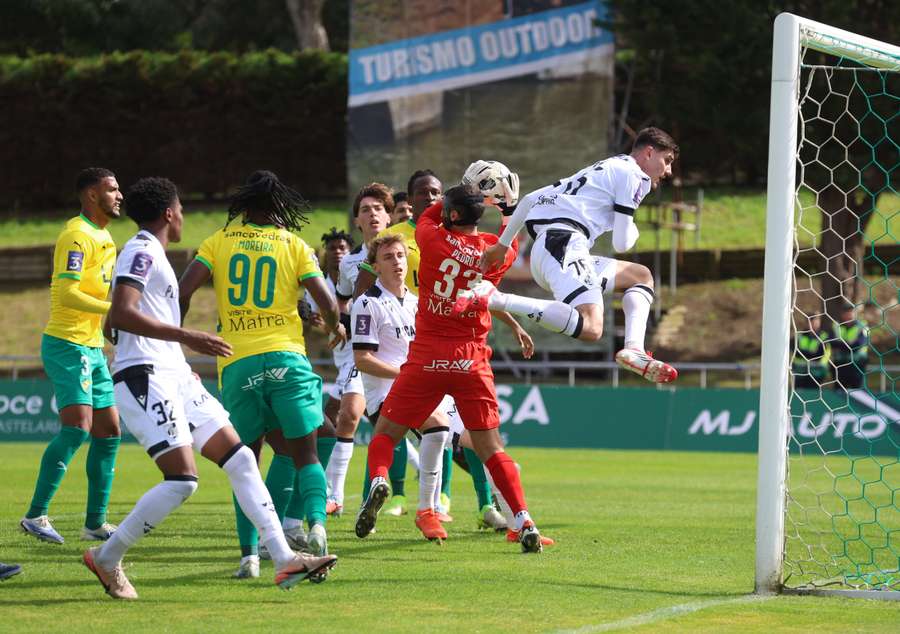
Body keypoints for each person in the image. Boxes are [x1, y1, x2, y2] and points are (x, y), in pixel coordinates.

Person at [84, 177, 336, 600]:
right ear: (169, 213)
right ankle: (106, 557)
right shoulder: (142, 250)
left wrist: (178, 360)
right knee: (182, 480)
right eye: (181, 208)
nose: (183, 216)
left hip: (174, 375)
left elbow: (117, 320)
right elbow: (123, 313)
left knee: (242, 460)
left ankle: (283, 558)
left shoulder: (157, 255)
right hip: (144, 377)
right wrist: (188, 338)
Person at [355, 183, 545, 553]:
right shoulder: (493, 251)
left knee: (385, 435)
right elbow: (510, 240)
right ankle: (523, 521)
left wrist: (462, 190)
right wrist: (504, 205)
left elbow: (427, 214)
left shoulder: (432, 238)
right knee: (491, 448)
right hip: (470, 358)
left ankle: (379, 479)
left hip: (427, 356)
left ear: (452, 214)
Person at [179, 171, 346, 578]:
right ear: (280, 205)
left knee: (245, 464)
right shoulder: (293, 245)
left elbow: (183, 292)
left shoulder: (218, 242)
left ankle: (249, 557)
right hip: (286, 359)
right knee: (307, 452)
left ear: (245, 204)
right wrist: (334, 326)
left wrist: (177, 338)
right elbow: (326, 301)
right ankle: (316, 527)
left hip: (237, 363)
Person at [478, 128, 680, 383]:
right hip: (564, 244)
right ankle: (496, 299)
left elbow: (529, 200)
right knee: (592, 327)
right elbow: (622, 243)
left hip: (554, 247)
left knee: (640, 276)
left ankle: (634, 350)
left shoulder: (606, 167)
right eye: (667, 160)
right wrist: (634, 230)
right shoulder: (634, 175)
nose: (668, 171)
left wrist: (503, 244)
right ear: (649, 153)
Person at [21, 168, 123, 545]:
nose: (120, 195)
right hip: (67, 343)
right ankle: (35, 515)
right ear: (92, 195)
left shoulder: (105, 236)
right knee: (78, 427)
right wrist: (114, 310)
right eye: (112, 189)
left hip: (92, 346)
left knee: (109, 431)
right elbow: (67, 293)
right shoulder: (76, 235)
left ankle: (95, 523)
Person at [352, 234, 455, 540]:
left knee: (446, 434)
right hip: (386, 391)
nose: (397, 262)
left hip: (421, 386)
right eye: (388, 257)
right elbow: (362, 359)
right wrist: (405, 375)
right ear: (375, 266)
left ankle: (381, 487)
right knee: (437, 428)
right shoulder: (367, 303)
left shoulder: (418, 302)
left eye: (400, 255)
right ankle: (428, 510)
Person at [829, 303, 869, 391]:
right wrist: (849, 343)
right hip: (840, 364)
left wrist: (842, 343)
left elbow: (859, 344)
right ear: (842, 314)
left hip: (857, 364)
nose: (849, 315)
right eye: (846, 313)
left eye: (851, 312)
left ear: (855, 313)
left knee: (857, 392)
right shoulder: (836, 326)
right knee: (839, 392)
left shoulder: (862, 326)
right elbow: (832, 342)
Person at [792, 314, 830, 390]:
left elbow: (819, 354)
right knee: (799, 392)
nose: (814, 325)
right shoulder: (800, 335)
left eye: (816, 322)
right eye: (811, 322)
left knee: (814, 393)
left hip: (817, 372)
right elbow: (796, 352)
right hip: (800, 371)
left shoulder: (824, 336)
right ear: (807, 323)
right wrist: (811, 353)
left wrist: (804, 352)